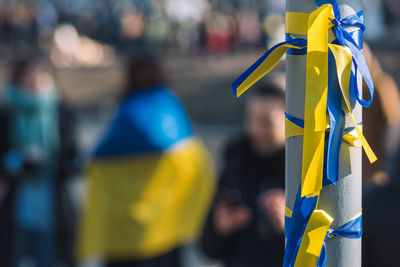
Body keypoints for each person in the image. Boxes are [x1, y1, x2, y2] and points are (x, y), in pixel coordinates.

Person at [77, 50, 216, 267]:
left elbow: (102, 153)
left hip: (126, 233)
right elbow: (189, 154)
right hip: (166, 224)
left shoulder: (130, 109)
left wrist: (86, 160)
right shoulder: (169, 103)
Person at [0, 54, 78, 267]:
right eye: (30, 77)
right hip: (15, 205)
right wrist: (15, 162)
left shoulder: (62, 111)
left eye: (41, 76)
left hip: (53, 204)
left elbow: (72, 153)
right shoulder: (6, 113)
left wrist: (71, 163)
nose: (36, 82)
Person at [201, 83, 286, 267]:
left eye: (266, 123)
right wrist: (219, 229)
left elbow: (324, 250)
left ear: (291, 123)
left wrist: (290, 230)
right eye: (251, 119)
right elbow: (207, 247)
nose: (256, 130)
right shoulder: (234, 163)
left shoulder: (307, 172)